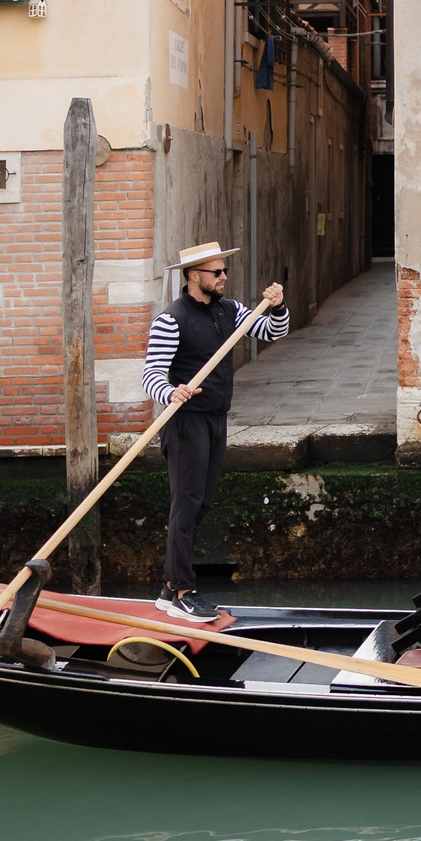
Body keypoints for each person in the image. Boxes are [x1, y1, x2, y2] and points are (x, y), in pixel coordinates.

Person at [140, 241, 285, 622]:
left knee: (201, 502)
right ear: (193, 276)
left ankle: (169, 588)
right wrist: (172, 391)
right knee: (186, 503)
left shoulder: (231, 310)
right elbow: (150, 373)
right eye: (216, 272)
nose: (223, 277)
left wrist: (278, 306)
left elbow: (271, 333)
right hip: (186, 421)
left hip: (216, 418)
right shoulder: (171, 320)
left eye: (224, 271)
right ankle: (181, 590)